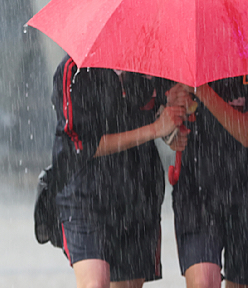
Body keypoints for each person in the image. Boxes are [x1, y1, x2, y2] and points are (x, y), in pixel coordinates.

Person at [51, 55, 186, 288]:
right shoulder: (73, 70)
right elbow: (82, 146)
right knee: (95, 283)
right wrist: (154, 129)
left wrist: (174, 127)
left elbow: (166, 112)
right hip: (85, 196)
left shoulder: (151, 62)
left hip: (138, 194)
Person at [164, 73, 248, 288]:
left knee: (245, 283)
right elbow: (162, 116)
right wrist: (170, 118)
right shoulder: (185, 50)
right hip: (197, 190)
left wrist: (201, 89)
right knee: (203, 281)